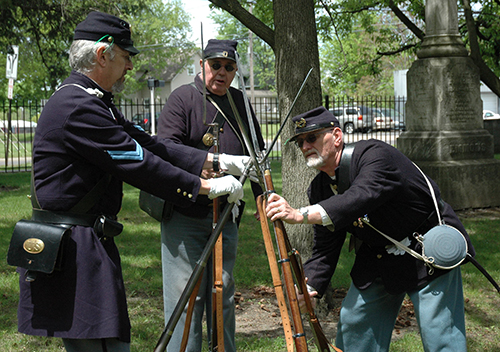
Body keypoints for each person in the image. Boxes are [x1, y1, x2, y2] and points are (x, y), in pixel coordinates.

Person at [16, 12, 250, 352]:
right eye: (126, 57)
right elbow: (136, 161)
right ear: (102, 55)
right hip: (72, 247)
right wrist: (205, 187)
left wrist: (213, 161)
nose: (129, 67)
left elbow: (149, 144)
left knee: (112, 343)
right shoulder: (77, 105)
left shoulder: (93, 100)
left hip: (90, 241)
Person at [265, 106, 475, 352]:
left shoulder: (374, 155)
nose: (304, 147)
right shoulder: (320, 189)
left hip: (425, 250)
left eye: (311, 137)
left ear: (336, 136)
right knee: (354, 322)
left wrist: (299, 214)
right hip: (378, 256)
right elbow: (325, 247)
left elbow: (360, 196)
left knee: (439, 334)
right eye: (300, 142)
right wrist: (309, 288)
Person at [156, 39, 265, 352]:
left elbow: (256, 154)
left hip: (226, 213)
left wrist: (261, 196)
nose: (221, 72)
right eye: (215, 64)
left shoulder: (239, 103)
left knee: (223, 294)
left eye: (229, 67)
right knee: (186, 299)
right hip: (185, 213)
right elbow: (166, 149)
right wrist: (211, 165)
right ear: (202, 65)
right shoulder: (182, 98)